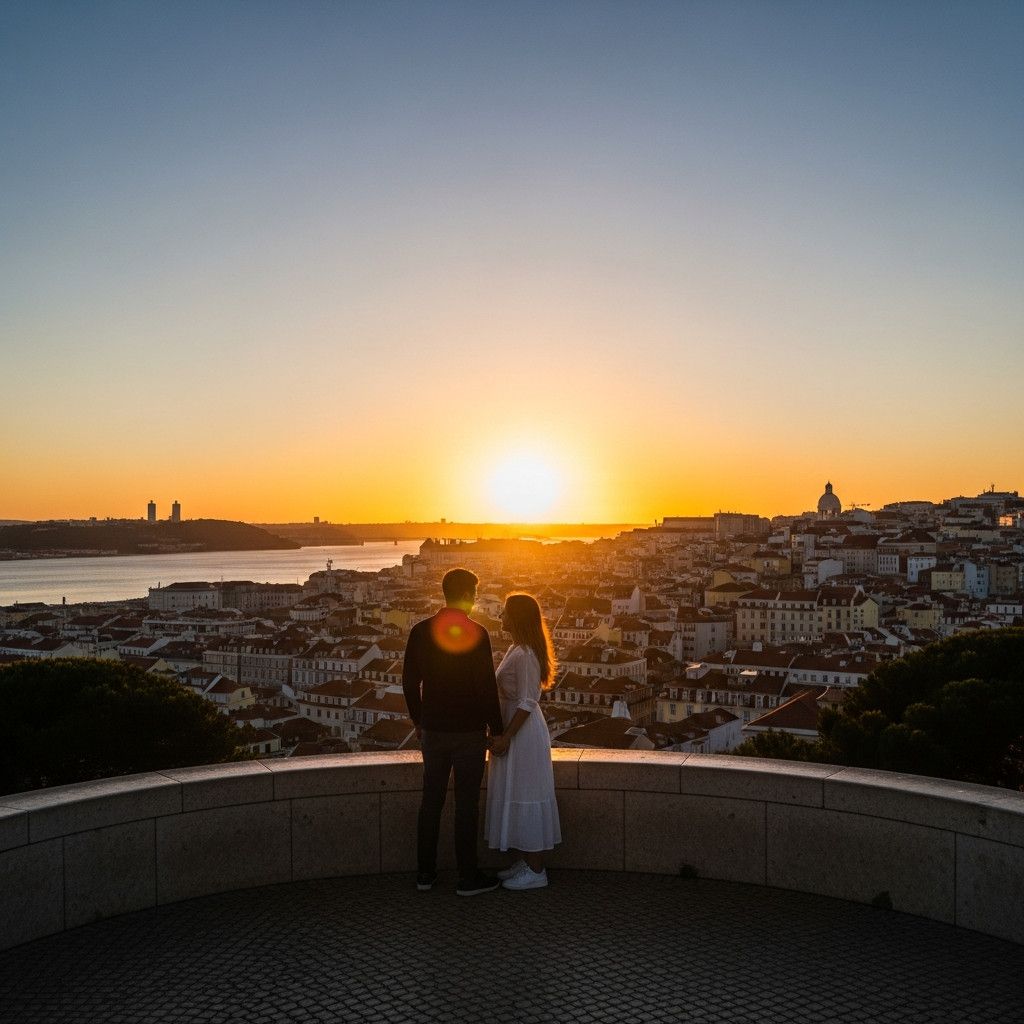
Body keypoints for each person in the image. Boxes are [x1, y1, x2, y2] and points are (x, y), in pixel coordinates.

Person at [402, 567, 505, 896]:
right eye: (475, 594)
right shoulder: (477, 633)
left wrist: (419, 721)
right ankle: (467, 877)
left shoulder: (420, 632)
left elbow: (408, 683)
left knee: (430, 802)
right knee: (466, 805)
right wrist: (498, 729)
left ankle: (425, 873)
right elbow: (487, 687)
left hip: (433, 730)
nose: (476, 599)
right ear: (468, 596)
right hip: (469, 733)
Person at [485, 592, 561, 890]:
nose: (500, 617)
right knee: (516, 791)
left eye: (504, 612)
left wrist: (505, 737)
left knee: (528, 792)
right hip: (516, 729)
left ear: (516, 617)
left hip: (523, 733)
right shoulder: (517, 649)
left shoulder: (526, 653)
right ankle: (526, 861)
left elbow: (529, 700)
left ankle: (537, 870)